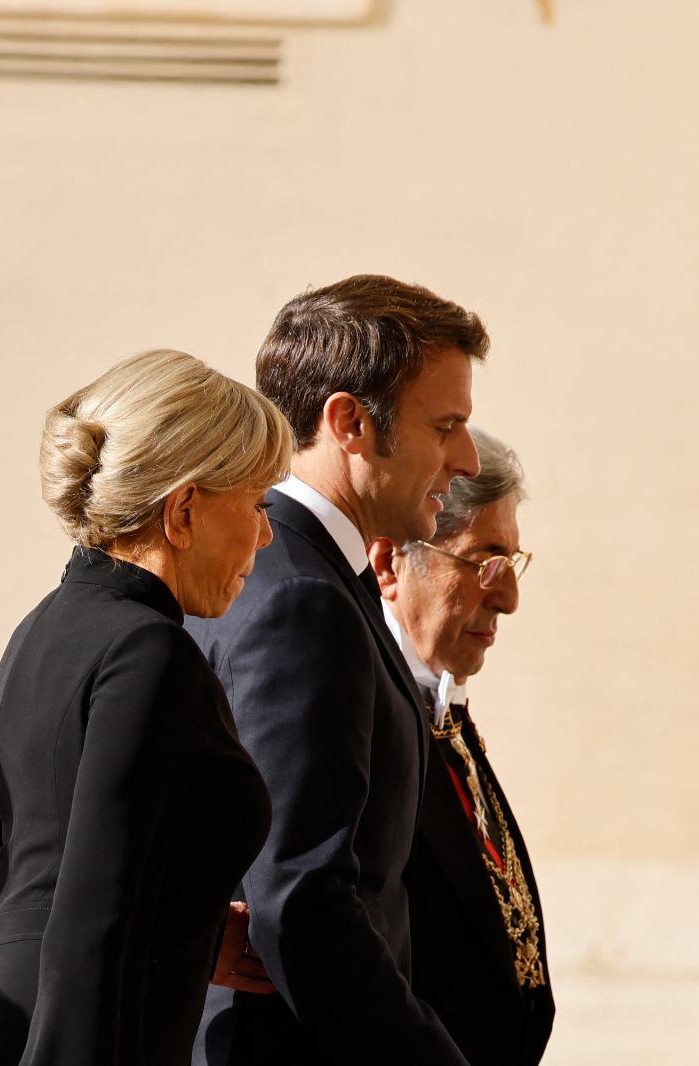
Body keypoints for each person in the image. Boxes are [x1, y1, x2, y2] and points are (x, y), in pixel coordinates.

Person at [0, 349, 288, 1066]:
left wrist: (177, 937)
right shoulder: (150, 655)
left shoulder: (41, 630)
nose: (266, 535)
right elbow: (93, 922)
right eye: (255, 504)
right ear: (184, 510)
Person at [186, 275, 484, 1066]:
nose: (467, 457)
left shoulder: (305, 574)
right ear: (349, 421)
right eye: (446, 424)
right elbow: (300, 902)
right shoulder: (299, 601)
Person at [368, 426, 552, 1065]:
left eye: (513, 562)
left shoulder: (441, 707)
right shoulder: (358, 711)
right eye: (483, 560)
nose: (508, 596)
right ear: (390, 563)